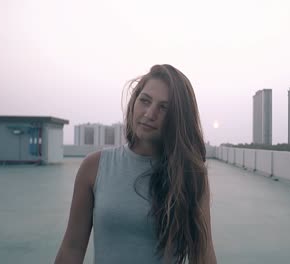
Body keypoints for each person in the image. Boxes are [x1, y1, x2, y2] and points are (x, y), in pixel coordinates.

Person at [54, 64, 217, 264]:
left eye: (163, 108)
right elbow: (72, 247)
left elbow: (202, 255)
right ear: (134, 101)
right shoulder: (94, 167)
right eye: (145, 101)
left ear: (178, 118)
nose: (149, 113)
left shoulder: (191, 174)